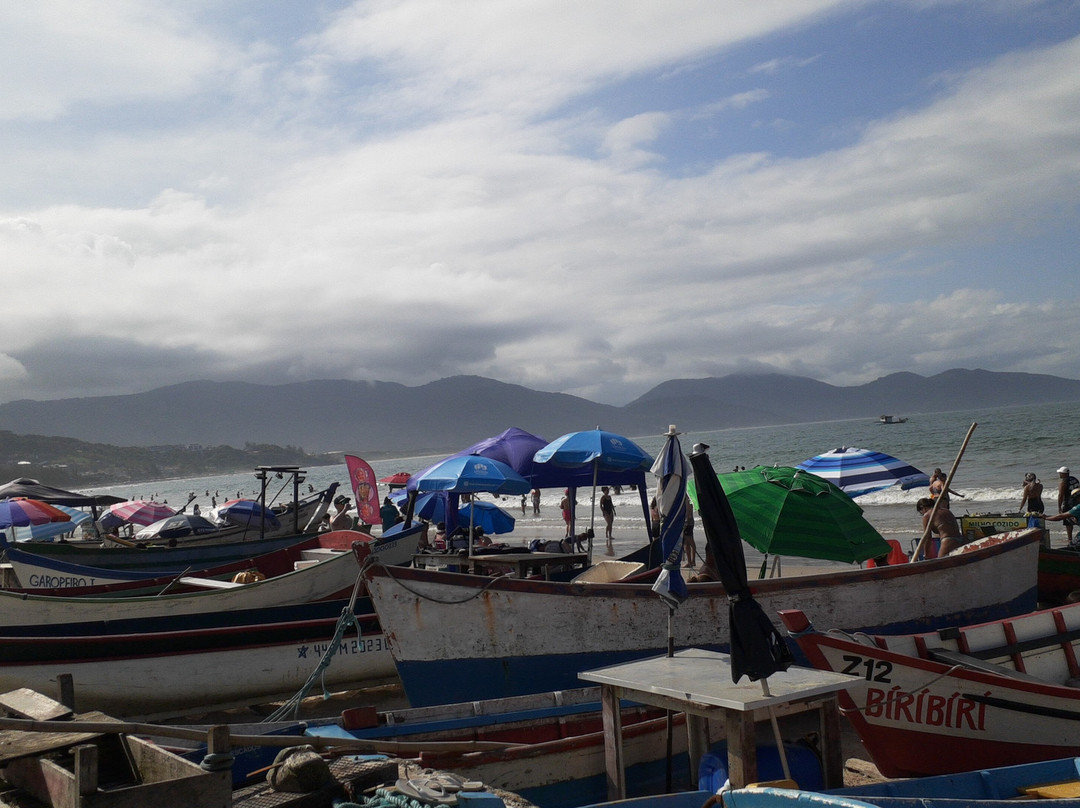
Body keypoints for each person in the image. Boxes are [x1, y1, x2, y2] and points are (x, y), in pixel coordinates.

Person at [1056, 466, 1080, 544]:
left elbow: (1060, 495)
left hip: (1068, 503)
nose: (1059, 474)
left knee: (1067, 521)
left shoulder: (1063, 483)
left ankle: (1069, 538)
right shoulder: (1074, 479)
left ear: (1063, 474)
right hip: (1076, 501)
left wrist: (1059, 507)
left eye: (1060, 473)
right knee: (1077, 518)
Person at [681, 495, 697, 568]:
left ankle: (691, 561)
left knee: (688, 542)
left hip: (687, 522)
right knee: (688, 542)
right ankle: (691, 561)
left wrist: (686, 520)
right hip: (689, 522)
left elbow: (688, 510)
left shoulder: (685, 498)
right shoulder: (688, 498)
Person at [599, 486, 616, 553]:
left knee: (611, 523)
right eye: (606, 490)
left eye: (608, 490)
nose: (608, 491)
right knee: (609, 523)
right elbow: (600, 506)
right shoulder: (603, 497)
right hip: (606, 511)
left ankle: (609, 535)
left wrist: (614, 511)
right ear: (604, 491)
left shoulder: (609, 497)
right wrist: (603, 511)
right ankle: (607, 534)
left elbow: (611, 504)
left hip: (610, 511)